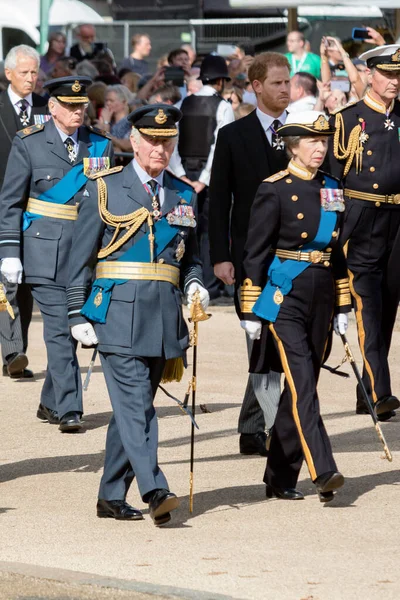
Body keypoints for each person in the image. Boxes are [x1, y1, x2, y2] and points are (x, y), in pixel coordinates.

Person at [66, 104, 209, 525]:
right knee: (137, 410)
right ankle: (155, 489)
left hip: (163, 319)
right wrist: (77, 313)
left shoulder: (183, 194)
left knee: (133, 409)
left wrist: (195, 284)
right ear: (135, 141)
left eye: (168, 141)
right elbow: (80, 260)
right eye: (152, 140)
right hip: (116, 315)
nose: (160, 149)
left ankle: (111, 495)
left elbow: (190, 257)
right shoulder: (105, 187)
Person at [241, 111, 350, 502]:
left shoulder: (333, 187)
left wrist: (342, 304)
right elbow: (254, 253)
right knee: (303, 383)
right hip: (284, 298)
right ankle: (324, 470)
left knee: (300, 389)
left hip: (321, 296)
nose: (319, 147)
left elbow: (337, 252)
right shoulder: (274, 188)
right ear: (291, 144)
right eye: (311, 140)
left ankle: (279, 476)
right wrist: (251, 310)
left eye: (323, 140)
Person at [0, 76, 114, 431]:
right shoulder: (29, 143)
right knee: (61, 330)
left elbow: (107, 202)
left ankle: (50, 401)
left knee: (81, 323)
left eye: (81, 106)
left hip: (87, 253)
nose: (77, 111)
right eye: (69, 105)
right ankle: (69, 408)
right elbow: (11, 201)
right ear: (52, 107)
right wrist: (9, 251)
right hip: (43, 251)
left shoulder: (99, 145)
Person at [209, 52, 290, 456]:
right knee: (260, 341)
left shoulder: (301, 132)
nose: (285, 89)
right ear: (256, 86)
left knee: (285, 342)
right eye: (277, 83)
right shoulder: (233, 135)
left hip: (295, 256)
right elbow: (219, 199)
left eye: (288, 82)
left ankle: (256, 425)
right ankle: (266, 426)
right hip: (250, 259)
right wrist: (221, 256)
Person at [328, 45, 400, 421]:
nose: (395, 82)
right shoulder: (348, 120)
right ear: (370, 74)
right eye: (388, 74)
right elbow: (328, 182)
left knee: (387, 308)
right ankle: (379, 391)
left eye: (399, 76)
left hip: (398, 222)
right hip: (362, 220)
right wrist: (328, 231)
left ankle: (368, 391)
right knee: (367, 308)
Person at [169, 54, 235, 303]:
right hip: (211, 177)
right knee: (209, 230)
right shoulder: (224, 106)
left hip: (183, 175)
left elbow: (171, 144)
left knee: (182, 228)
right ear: (220, 81)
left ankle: (183, 280)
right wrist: (204, 180)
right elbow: (220, 145)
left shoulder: (181, 104)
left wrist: (182, 175)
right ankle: (208, 283)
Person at [0, 45, 48, 380]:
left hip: (39, 211)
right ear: (8, 74)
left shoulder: (47, 107)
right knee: (6, 281)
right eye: (24, 73)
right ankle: (12, 350)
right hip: (2, 206)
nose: (31, 79)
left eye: (34, 72)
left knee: (26, 284)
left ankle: (19, 348)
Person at [96, 84, 132, 152]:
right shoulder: (109, 120)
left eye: (111, 100)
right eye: (106, 100)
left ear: (124, 102)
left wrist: (106, 123)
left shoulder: (130, 122)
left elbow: (129, 145)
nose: (108, 103)